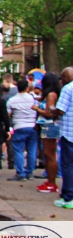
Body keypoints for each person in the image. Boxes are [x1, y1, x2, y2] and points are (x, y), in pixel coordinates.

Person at [33, 72, 61, 193]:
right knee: (47, 154)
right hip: (48, 126)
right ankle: (50, 180)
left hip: (49, 126)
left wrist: (37, 109)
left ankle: (52, 182)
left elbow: (49, 113)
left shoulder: (50, 95)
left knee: (49, 155)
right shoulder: (52, 94)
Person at [6, 78, 38, 181]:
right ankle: (30, 172)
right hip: (32, 126)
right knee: (31, 151)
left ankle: (20, 173)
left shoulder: (12, 100)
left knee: (18, 150)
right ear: (27, 87)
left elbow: (8, 115)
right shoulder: (33, 98)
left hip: (19, 126)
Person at [50, 67, 73, 209]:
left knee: (68, 165)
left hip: (69, 134)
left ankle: (68, 196)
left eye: (62, 78)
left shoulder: (68, 88)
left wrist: (52, 110)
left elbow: (61, 110)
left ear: (65, 77)